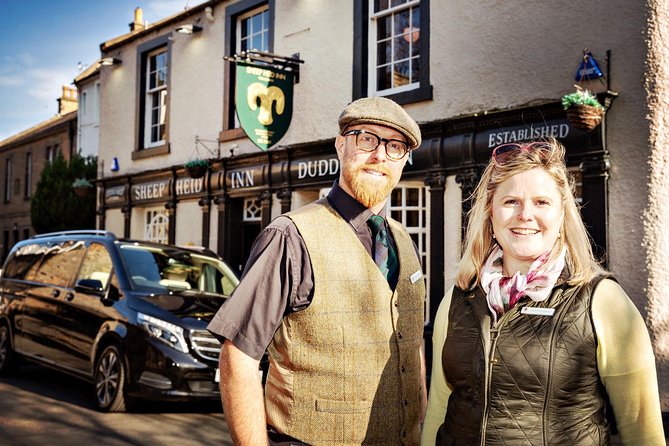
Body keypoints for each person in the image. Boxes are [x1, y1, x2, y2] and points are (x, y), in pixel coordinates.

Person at [208, 96, 427, 445]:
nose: (380, 155)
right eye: (367, 139)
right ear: (341, 145)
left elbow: (412, 348)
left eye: (395, 146)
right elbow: (238, 356)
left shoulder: (405, 242)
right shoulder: (289, 236)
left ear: (403, 161)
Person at [421, 139, 664, 445]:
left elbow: (642, 431)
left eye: (541, 202)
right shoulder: (459, 298)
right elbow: (440, 410)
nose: (525, 215)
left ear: (562, 214)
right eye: (510, 201)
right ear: (490, 214)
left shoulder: (602, 300)